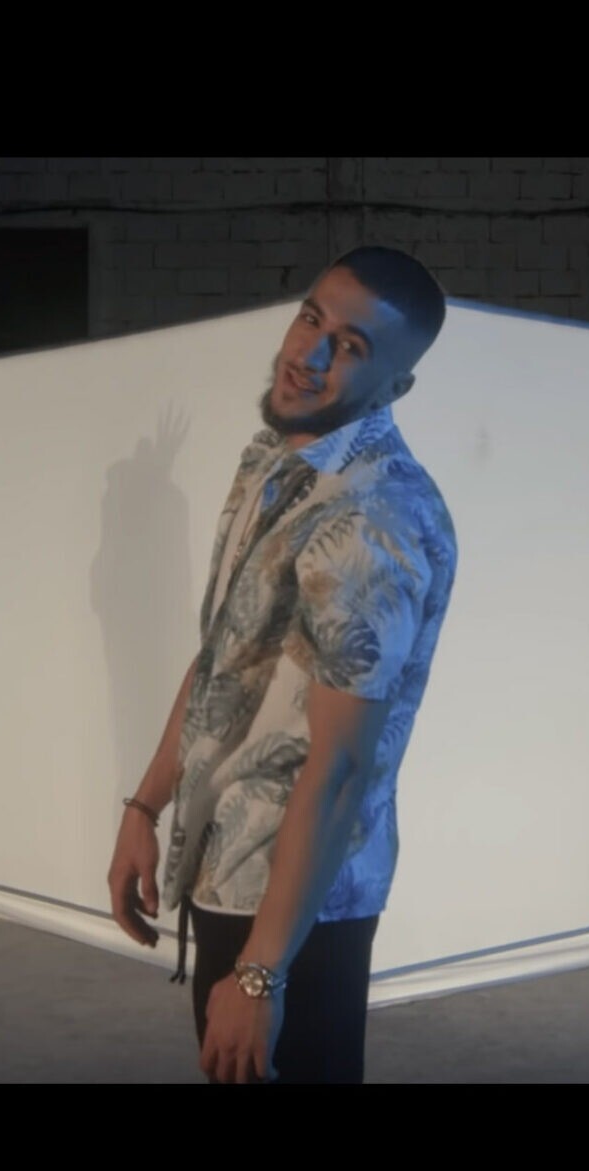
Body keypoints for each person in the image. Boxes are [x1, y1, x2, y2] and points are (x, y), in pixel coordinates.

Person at [104, 247, 457, 1084]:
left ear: (398, 385)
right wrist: (145, 807)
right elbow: (224, 658)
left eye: (352, 346)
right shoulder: (274, 455)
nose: (310, 354)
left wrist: (262, 973)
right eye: (311, 319)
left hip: (296, 905)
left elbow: (340, 770)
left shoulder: (370, 520)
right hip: (226, 868)